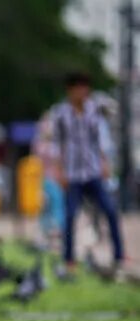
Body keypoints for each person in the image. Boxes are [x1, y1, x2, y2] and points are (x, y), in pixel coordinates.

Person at [52, 72, 125, 271]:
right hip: (73, 174)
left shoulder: (94, 111)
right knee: (69, 216)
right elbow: (58, 144)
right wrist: (59, 171)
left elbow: (101, 138)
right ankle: (69, 260)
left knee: (110, 210)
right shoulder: (61, 114)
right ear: (71, 90)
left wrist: (105, 163)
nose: (83, 92)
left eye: (86, 88)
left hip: (92, 171)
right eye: (79, 88)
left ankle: (119, 256)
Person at [31, 111, 65, 242]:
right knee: (47, 204)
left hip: (52, 178)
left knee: (54, 203)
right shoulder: (43, 144)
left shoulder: (51, 144)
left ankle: (55, 228)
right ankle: (49, 228)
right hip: (44, 178)